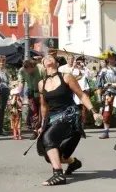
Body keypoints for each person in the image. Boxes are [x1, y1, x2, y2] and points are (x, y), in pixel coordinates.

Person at [36, 55, 102, 186]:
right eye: (45, 58)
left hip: (70, 115)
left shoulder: (66, 77)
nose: (48, 58)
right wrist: (42, 124)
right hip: (53, 118)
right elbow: (44, 106)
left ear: (56, 63)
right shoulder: (41, 83)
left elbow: (81, 95)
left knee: (48, 139)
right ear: (43, 64)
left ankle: (58, 175)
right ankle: (73, 162)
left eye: (51, 57)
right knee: (51, 155)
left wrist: (94, 112)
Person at [96, 48, 116, 139]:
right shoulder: (103, 71)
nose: (111, 58)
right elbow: (98, 85)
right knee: (106, 113)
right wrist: (99, 98)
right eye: (109, 57)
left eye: (113, 56)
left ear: (115, 57)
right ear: (107, 58)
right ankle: (106, 132)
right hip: (108, 93)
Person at [17, 59, 45, 140]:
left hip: (41, 93)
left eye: (28, 69)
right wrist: (18, 94)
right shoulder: (22, 71)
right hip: (31, 93)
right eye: (25, 69)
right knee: (33, 113)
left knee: (41, 113)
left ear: (34, 67)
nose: (27, 71)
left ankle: (42, 131)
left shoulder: (41, 69)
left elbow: (46, 81)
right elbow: (21, 82)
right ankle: (34, 131)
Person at [0, 55, 11, 136]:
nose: (2, 63)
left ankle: (0, 129)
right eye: (0, 61)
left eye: (3, 61)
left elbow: (7, 82)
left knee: (2, 111)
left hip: (5, 92)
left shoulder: (5, 71)